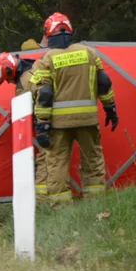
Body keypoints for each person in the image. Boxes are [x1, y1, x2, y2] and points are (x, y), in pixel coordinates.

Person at [31, 12, 119, 204]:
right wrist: (110, 108)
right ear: (70, 30)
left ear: (48, 33)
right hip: (88, 120)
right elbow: (103, 83)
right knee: (93, 160)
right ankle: (95, 204)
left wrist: (42, 125)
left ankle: (61, 207)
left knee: (57, 164)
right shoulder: (89, 53)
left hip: (59, 124)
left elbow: (44, 95)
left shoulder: (45, 60)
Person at [0, 51, 49, 199]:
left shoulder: (23, 85)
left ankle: (43, 199)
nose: (9, 82)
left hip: (46, 124)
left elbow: (24, 114)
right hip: (56, 118)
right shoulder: (37, 65)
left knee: (46, 160)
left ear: (10, 71)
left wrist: (14, 118)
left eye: (7, 79)